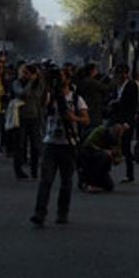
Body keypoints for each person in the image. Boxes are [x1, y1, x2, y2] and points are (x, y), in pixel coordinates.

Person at [30, 66, 89, 226]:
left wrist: (74, 118)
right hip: (50, 143)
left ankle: (62, 213)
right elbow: (41, 102)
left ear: (68, 79)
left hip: (68, 144)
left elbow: (86, 120)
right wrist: (43, 82)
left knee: (66, 181)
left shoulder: (77, 99)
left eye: (61, 76)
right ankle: (39, 213)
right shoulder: (52, 96)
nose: (59, 79)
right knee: (46, 180)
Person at [11, 62, 46, 179]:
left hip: (34, 117)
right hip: (20, 117)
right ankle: (18, 170)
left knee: (35, 145)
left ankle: (34, 170)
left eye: (29, 73)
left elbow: (39, 97)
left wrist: (37, 80)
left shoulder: (39, 84)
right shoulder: (17, 83)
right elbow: (22, 94)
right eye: (25, 73)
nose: (26, 75)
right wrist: (30, 82)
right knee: (19, 145)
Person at [108, 65, 139, 184]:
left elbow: (133, 105)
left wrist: (128, 122)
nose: (120, 76)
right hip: (116, 118)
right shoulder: (118, 86)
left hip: (126, 120)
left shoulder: (131, 86)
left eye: (122, 74)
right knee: (114, 144)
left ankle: (129, 173)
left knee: (125, 147)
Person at [79, 122, 127, 193]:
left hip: (100, 158)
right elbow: (87, 144)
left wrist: (116, 157)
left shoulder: (117, 139)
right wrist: (104, 151)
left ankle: (94, 179)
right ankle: (91, 183)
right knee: (104, 156)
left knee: (109, 186)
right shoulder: (101, 130)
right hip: (88, 154)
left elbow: (117, 159)